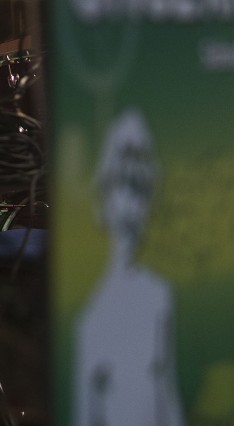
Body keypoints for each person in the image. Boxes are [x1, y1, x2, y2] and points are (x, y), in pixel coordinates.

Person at [73, 109, 185, 426]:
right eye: (123, 185)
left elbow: (168, 398)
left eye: (141, 190)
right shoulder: (90, 322)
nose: (134, 207)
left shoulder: (159, 296)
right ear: (103, 200)